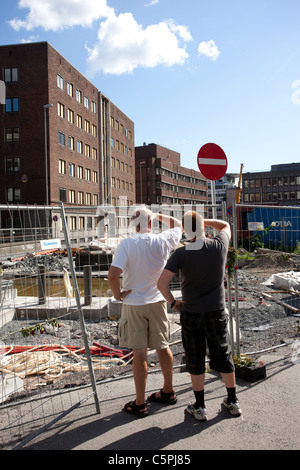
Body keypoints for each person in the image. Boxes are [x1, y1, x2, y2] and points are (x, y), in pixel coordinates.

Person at [157, 210, 241, 421]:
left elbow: (161, 283)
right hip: (216, 311)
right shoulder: (219, 245)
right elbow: (224, 226)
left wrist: (174, 302)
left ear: (186, 230)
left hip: (192, 313)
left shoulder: (181, 253)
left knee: (195, 358)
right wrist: (204, 221)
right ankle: (232, 401)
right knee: (223, 354)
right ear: (204, 227)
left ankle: (200, 406)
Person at [108, 205, 182, 418]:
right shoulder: (162, 240)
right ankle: (168, 390)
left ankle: (140, 403)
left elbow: (113, 275)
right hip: (158, 301)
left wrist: (117, 295)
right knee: (163, 346)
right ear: (151, 223)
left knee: (139, 352)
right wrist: (157, 215)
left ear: (133, 223)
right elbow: (178, 225)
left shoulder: (127, 244)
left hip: (133, 303)